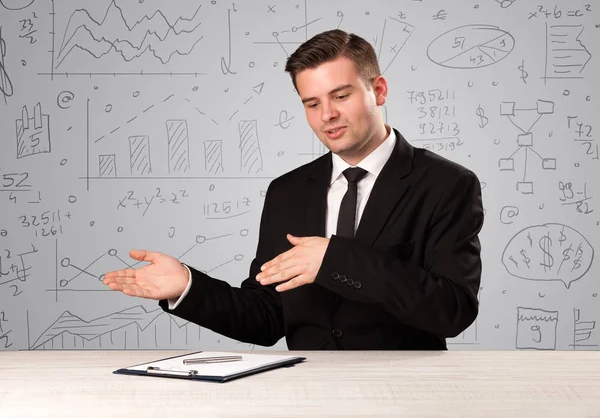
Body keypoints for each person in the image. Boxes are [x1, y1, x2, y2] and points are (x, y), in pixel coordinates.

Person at [103, 29, 484, 350]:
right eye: (312, 103)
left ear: (378, 90)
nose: (327, 115)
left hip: (404, 396)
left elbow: (452, 311)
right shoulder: (287, 191)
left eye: (341, 96)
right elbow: (267, 317)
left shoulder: (447, 183)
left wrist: (335, 262)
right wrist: (187, 286)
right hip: (306, 394)